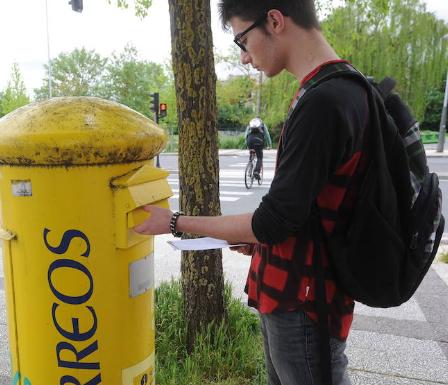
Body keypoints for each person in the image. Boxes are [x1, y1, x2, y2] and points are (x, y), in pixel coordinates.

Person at [135, 1, 370, 384]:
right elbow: (303, 212)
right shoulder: (335, 89)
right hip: (297, 294)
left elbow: (273, 221)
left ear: (274, 21)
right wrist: (260, 242)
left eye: (242, 41)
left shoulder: (323, 103)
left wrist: (174, 221)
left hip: (304, 305)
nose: (244, 58)